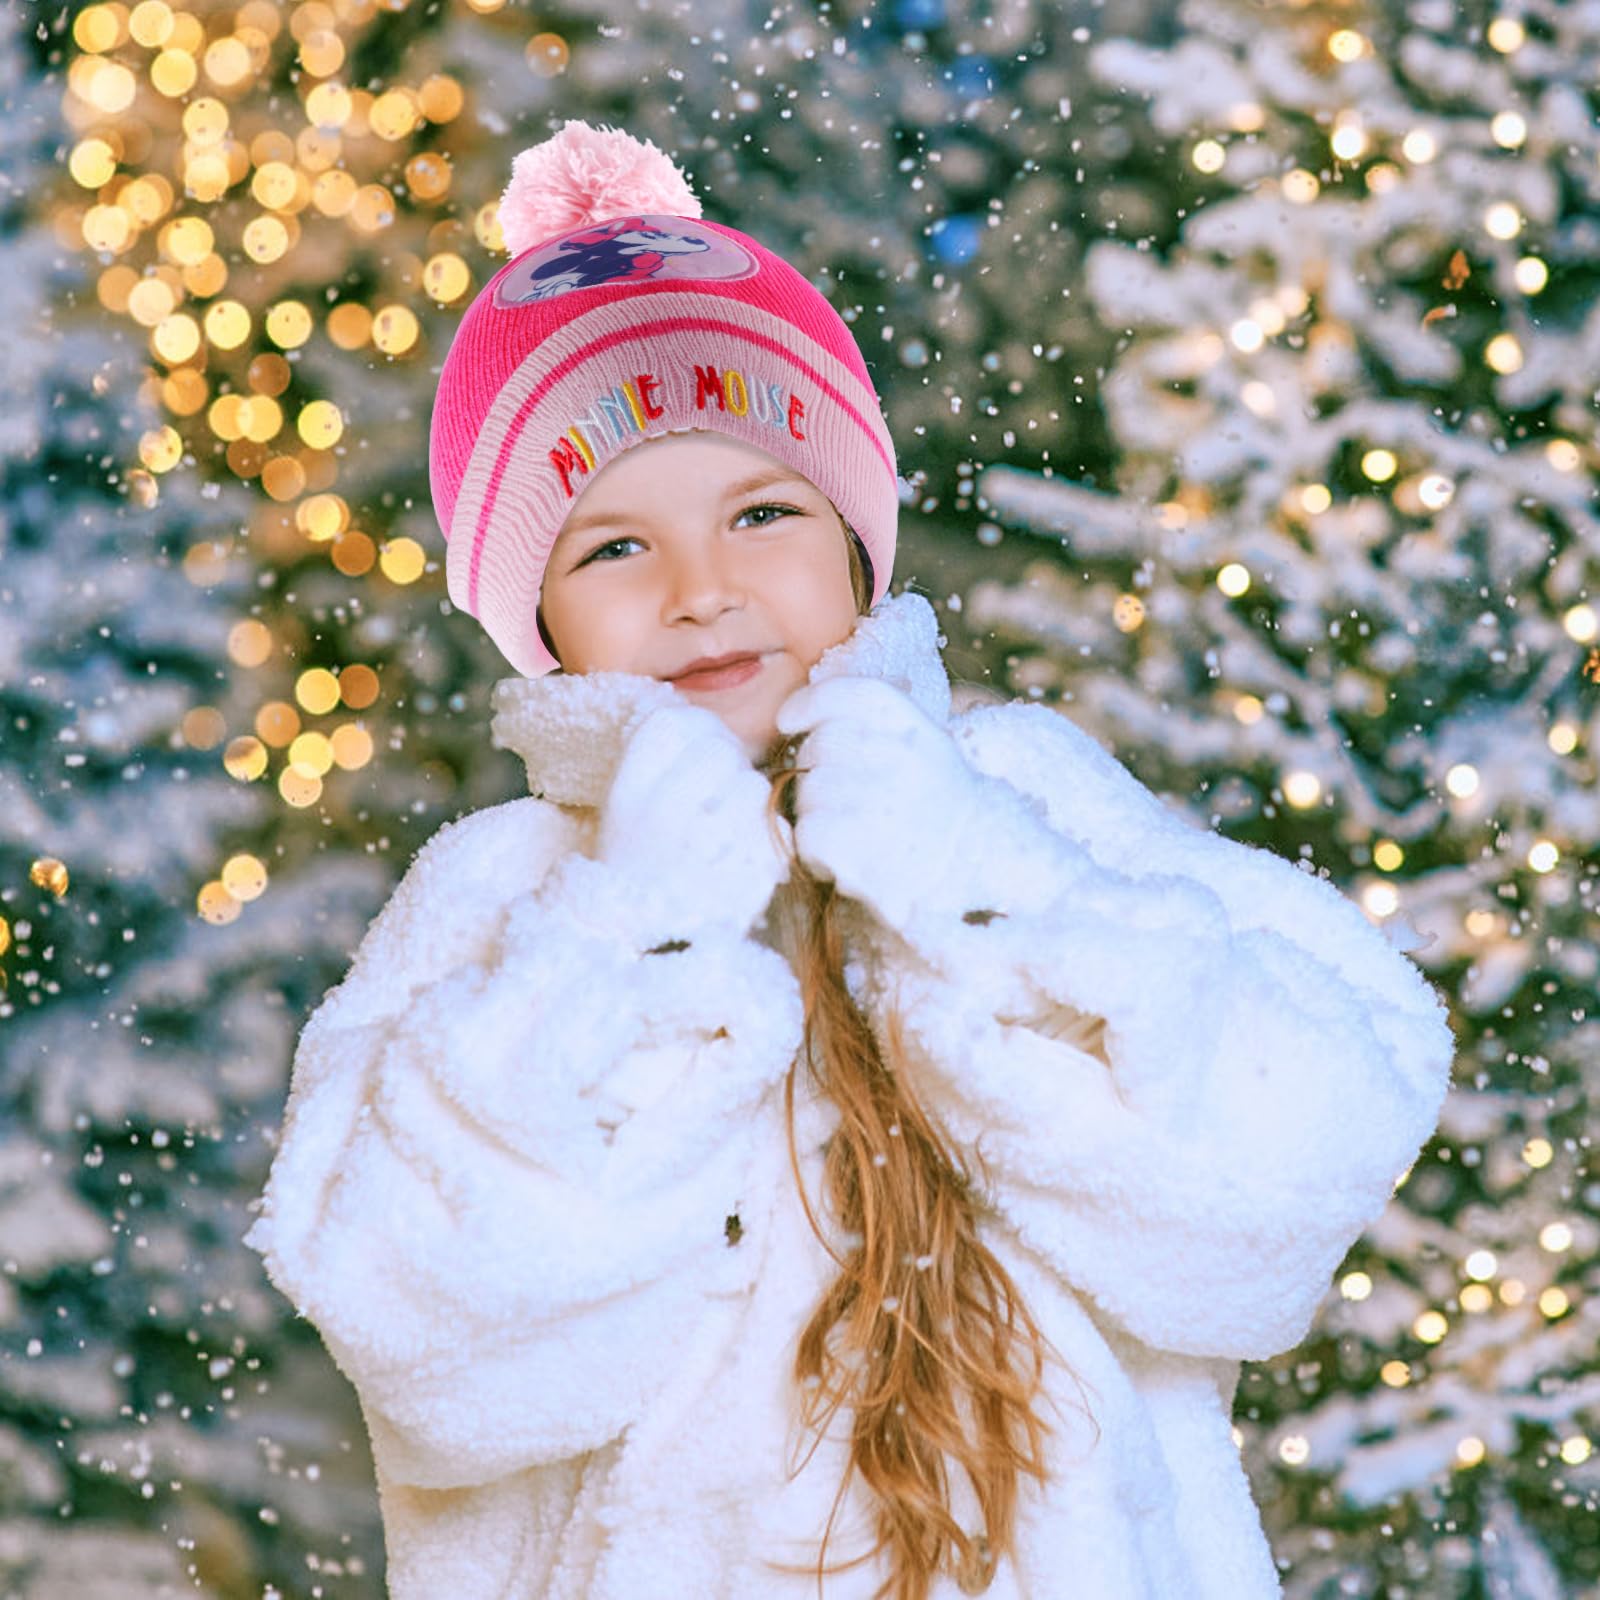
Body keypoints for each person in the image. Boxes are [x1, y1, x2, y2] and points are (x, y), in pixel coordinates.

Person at [244, 122, 1456, 1600]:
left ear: (856, 541)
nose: (703, 591)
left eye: (761, 513)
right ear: (537, 614)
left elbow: (1282, 1186)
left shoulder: (1022, 804)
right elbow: (434, 1350)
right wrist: (626, 931)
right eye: (613, 547)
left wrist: (984, 887)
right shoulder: (503, 899)